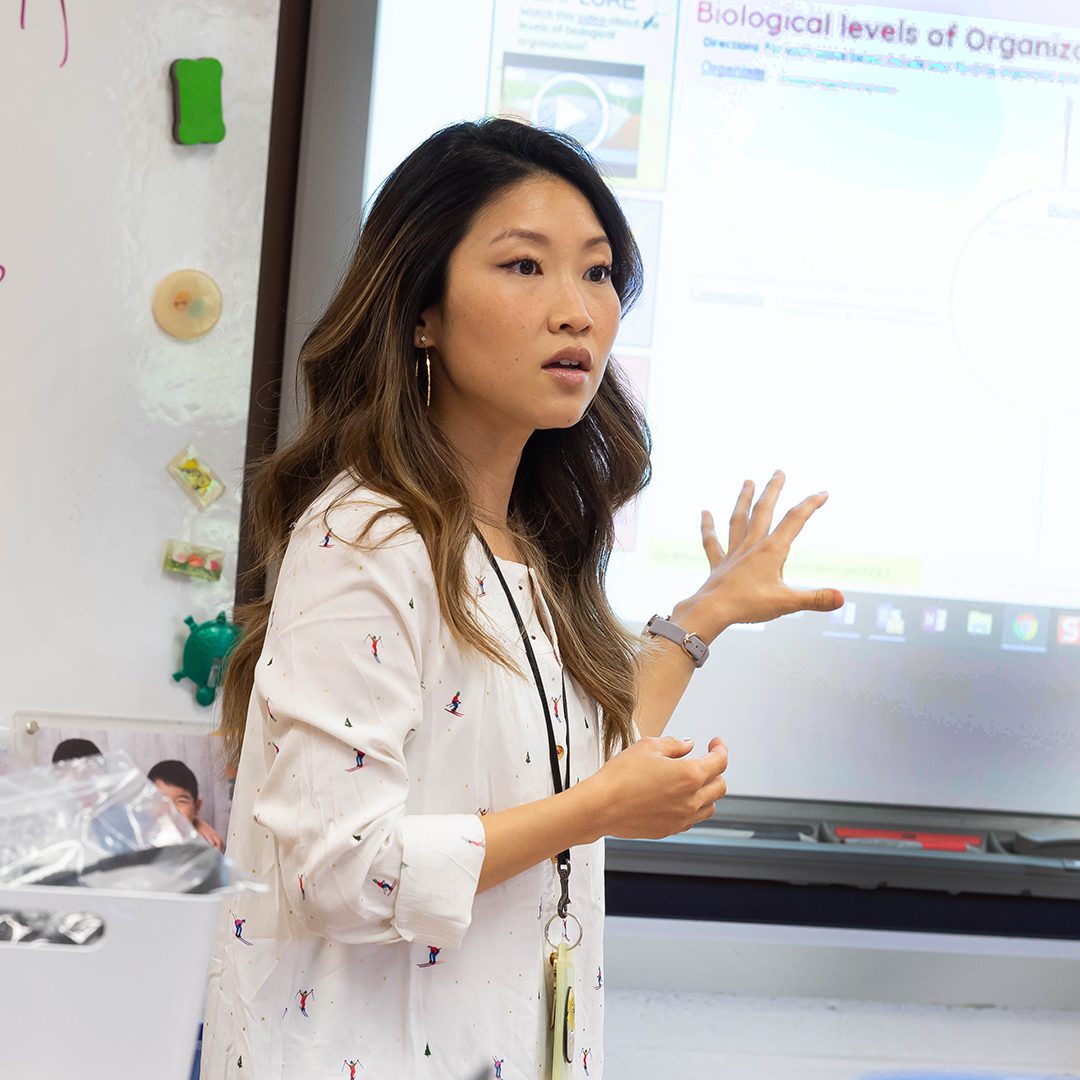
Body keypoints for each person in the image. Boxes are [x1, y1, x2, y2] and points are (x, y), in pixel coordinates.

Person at [200, 118, 841, 1079]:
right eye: (524, 267)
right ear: (423, 308)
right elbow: (341, 871)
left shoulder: (525, 542)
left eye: (595, 272)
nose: (577, 310)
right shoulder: (366, 536)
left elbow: (578, 763)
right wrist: (595, 812)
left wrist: (704, 615)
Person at [147, 759, 225, 852]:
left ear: (197, 806)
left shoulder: (208, 847)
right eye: (163, 800)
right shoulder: (137, 839)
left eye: (181, 801)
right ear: (147, 804)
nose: (172, 809)